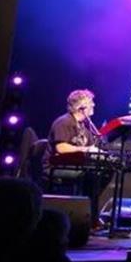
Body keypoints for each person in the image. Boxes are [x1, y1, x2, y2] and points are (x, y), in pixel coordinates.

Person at [47, 89, 109, 223]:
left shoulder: (84, 127)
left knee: (105, 173)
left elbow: (91, 147)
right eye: (91, 102)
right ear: (81, 107)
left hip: (75, 165)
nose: (94, 105)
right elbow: (61, 148)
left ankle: (89, 212)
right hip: (56, 167)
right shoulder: (64, 122)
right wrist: (86, 149)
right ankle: (85, 215)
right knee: (90, 176)